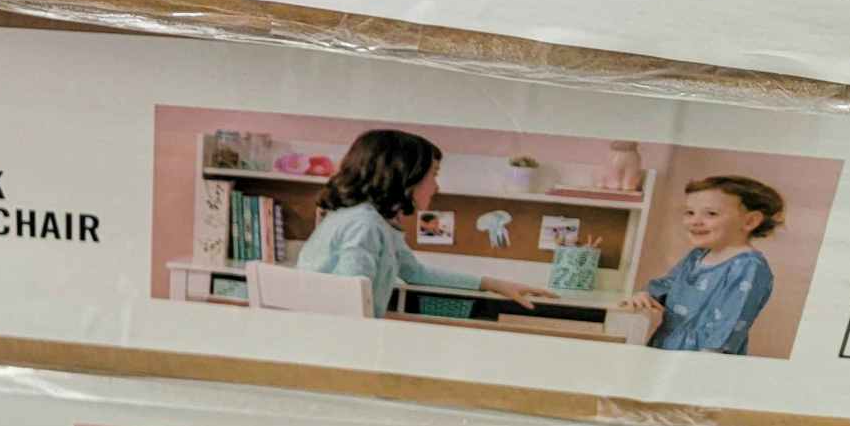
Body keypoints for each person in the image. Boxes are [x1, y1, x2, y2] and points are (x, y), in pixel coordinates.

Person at [295, 128, 556, 315]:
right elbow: (349, 303)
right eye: (433, 174)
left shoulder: (371, 222)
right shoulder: (364, 225)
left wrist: (494, 284)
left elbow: (415, 273)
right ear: (402, 177)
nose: (436, 186)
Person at [620, 176, 783, 355]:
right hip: (666, 344)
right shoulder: (697, 256)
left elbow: (730, 324)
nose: (695, 221)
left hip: (705, 355)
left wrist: (703, 364)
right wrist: (645, 295)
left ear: (749, 221)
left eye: (711, 213)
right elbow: (667, 285)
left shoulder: (748, 267)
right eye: (690, 212)